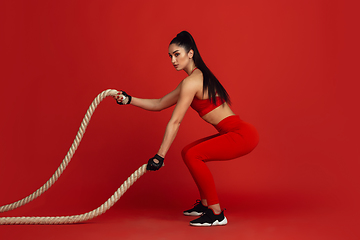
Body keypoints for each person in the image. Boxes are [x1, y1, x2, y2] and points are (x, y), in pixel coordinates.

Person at [114, 31, 259, 226]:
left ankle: (216, 213)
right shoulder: (192, 80)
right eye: (170, 56)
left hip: (241, 134)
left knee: (193, 155)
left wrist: (160, 156)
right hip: (235, 132)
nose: (173, 60)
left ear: (190, 53)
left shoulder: (192, 82)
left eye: (177, 54)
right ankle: (206, 203)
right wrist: (129, 100)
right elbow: (159, 103)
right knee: (187, 152)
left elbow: (175, 121)